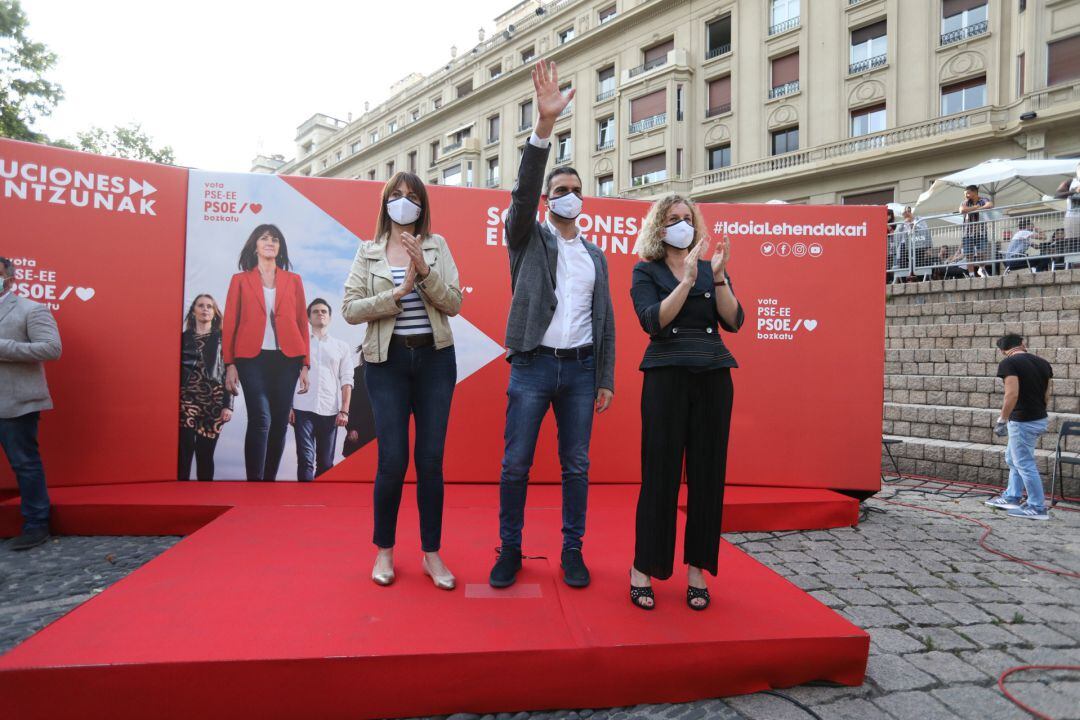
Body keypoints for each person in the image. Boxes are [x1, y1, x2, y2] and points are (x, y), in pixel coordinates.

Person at [489, 60, 616, 590]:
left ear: (583, 199)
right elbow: (520, 196)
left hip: (582, 373)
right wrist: (543, 129)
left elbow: (603, 321)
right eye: (559, 188)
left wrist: (605, 377)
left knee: (577, 469)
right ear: (548, 199)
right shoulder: (528, 238)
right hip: (533, 368)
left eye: (575, 188)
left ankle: (572, 552)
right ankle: (510, 550)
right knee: (516, 465)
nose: (568, 194)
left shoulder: (596, 255)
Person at [342, 171, 462, 590]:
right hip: (385, 363)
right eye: (397, 195)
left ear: (422, 205)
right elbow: (350, 309)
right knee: (392, 461)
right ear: (386, 202)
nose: (404, 202)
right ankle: (385, 552)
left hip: (434, 360)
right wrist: (394, 295)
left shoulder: (437, 245)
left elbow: (455, 303)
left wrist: (425, 272)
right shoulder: (368, 250)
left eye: (412, 196)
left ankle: (431, 554)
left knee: (430, 460)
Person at [627, 199, 743, 611]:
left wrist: (720, 277)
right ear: (659, 228)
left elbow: (734, 321)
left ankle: (697, 570)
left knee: (708, 476)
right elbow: (652, 320)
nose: (681, 225)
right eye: (672, 219)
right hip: (666, 378)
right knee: (660, 475)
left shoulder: (712, 271)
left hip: (713, 375)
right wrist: (687, 281)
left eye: (687, 219)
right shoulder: (646, 270)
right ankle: (644, 568)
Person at [222, 224, 311, 481]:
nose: (270, 242)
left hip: (288, 359)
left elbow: (300, 321)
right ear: (255, 245)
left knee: (281, 421)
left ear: (280, 247)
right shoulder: (240, 280)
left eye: (275, 239)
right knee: (261, 418)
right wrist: (230, 363)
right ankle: (255, 482)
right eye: (264, 238)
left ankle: (269, 481)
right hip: (251, 359)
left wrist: (305, 363)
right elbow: (230, 323)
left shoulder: (294, 281)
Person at [0, 256, 62, 550]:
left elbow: (51, 348)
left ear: (10, 278)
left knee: (24, 464)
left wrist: (2, 347)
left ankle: (36, 524)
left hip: (16, 402)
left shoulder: (31, 309)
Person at [984, 334, 1054, 520]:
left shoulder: (1009, 363)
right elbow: (1047, 395)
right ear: (1023, 344)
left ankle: (1037, 506)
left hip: (1023, 420)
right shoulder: (1043, 363)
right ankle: (1012, 497)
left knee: (1024, 463)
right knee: (1013, 458)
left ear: (1002, 350)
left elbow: (1012, 394)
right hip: (1038, 417)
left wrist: (1002, 419)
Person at [289, 299, 353, 481]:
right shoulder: (298, 345)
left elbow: (347, 380)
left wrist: (344, 410)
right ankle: (303, 503)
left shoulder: (341, 347)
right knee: (305, 460)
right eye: (316, 311)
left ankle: (320, 504)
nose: (320, 314)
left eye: (324, 311)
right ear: (309, 318)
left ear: (330, 317)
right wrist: (289, 407)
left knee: (325, 463)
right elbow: (288, 378)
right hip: (302, 408)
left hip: (330, 410)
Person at [179, 294, 233, 481]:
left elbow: (230, 373)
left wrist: (229, 404)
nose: (205, 309)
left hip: (214, 401)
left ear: (215, 312)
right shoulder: (182, 338)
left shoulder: (223, 339)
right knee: (184, 448)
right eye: (201, 306)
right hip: (186, 399)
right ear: (193, 311)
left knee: (205, 453)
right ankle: (181, 491)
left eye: (209, 306)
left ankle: (204, 493)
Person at [960, 184, 993, 277]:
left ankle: (981, 269)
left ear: (974, 192)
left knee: (981, 252)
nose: (966, 195)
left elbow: (990, 205)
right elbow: (962, 210)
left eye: (968, 193)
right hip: (967, 233)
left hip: (981, 231)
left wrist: (977, 208)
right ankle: (971, 275)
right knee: (969, 255)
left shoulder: (983, 200)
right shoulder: (965, 202)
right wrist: (975, 208)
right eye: (965, 194)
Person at [1055, 162, 1080, 256]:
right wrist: (1073, 191)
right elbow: (1057, 195)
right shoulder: (1070, 181)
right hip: (1072, 217)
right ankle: (1068, 266)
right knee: (1072, 241)